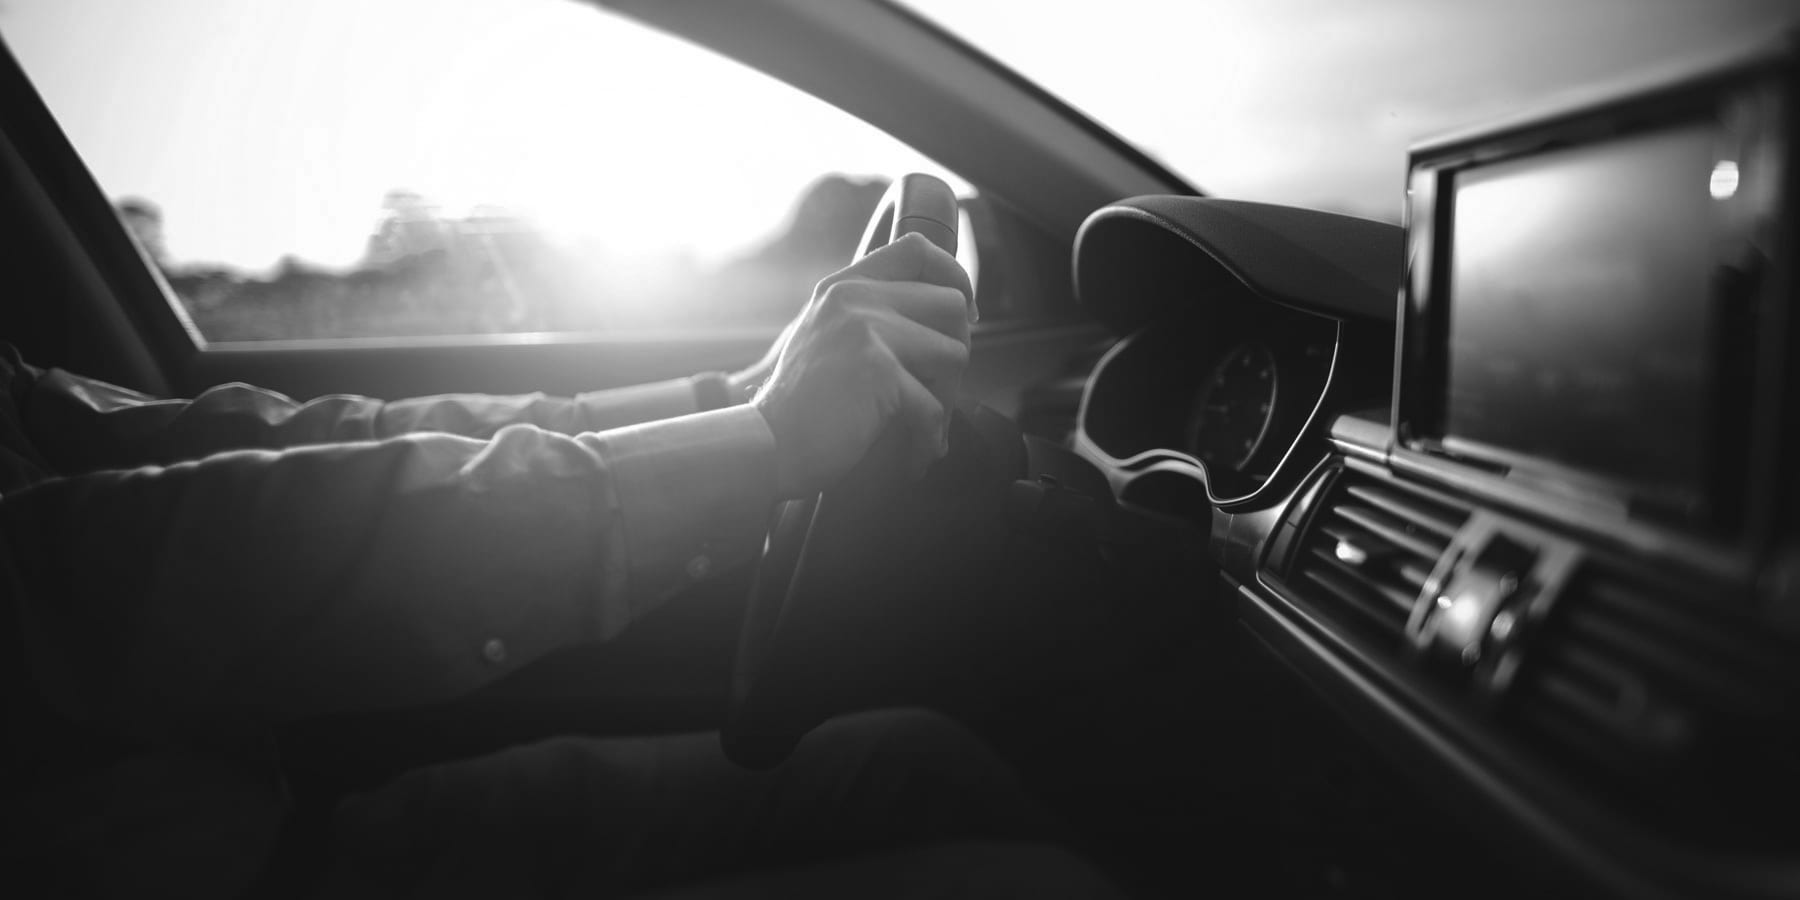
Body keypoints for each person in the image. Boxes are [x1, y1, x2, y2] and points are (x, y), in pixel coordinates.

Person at [0, 234, 1124, 898]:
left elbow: (260, 442)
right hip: (231, 875)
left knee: (913, 761)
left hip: (247, 823)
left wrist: (726, 399)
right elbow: (83, 577)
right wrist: (760, 445)